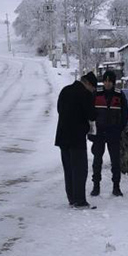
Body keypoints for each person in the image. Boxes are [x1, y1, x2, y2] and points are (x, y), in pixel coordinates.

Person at [55, 72, 97, 209]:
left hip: (62, 136)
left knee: (68, 169)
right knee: (79, 169)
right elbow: (92, 114)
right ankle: (79, 200)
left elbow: (59, 109)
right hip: (77, 137)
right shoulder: (85, 94)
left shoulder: (65, 90)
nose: (93, 91)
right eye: (93, 88)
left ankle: (72, 198)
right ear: (88, 84)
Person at [90, 70, 128, 197]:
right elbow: (90, 114)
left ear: (113, 82)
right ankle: (96, 186)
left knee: (115, 161)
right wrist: (91, 132)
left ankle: (116, 187)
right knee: (97, 161)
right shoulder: (96, 94)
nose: (107, 83)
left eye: (109, 81)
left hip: (114, 133)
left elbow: (125, 114)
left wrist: (119, 129)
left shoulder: (119, 95)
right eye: (105, 81)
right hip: (99, 133)